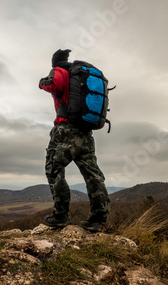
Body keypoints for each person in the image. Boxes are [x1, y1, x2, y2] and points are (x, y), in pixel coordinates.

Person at [39, 49, 110, 232]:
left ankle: (60, 215)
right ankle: (98, 218)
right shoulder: (80, 77)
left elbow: (53, 85)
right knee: (92, 173)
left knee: (54, 169)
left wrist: (41, 83)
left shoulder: (60, 71)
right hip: (86, 132)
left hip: (66, 130)